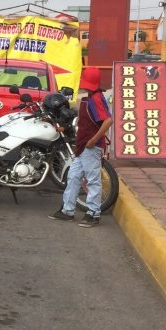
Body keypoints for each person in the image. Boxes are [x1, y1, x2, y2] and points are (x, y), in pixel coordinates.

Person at [49, 66, 112, 227]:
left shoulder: (96, 99)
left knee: (92, 180)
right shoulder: (89, 99)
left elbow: (108, 120)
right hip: (83, 146)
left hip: (91, 146)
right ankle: (67, 210)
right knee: (73, 176)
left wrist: (94, 139)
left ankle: (93, 213)